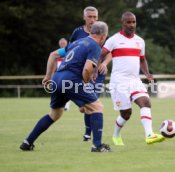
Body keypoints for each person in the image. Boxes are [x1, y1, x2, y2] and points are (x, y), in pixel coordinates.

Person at [19, 21, 112, 152]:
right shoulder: (95, 46)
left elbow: (53, 54)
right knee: (97, 107)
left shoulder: (75, 43)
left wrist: (47, 76)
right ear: (103, 36)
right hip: (70, 80)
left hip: (57, 79)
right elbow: (87, 70)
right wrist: (86, 84)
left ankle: (27, 142)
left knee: (54, 114)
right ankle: (97, 146)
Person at [98, 11, 165, 146]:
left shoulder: (140, 41)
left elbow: (142, 59)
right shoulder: (114, 40)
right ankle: (116, 135)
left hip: (135, 80)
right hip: (119, 82)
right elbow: (100, 55)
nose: (131, 24)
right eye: (128, 22)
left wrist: (146, 73)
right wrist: (95, 69)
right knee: (126, 114)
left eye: (133, 22)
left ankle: (149, 135)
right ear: (122, 23)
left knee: (145, 102)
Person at [70, 6, 111, 141]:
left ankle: (88, 133)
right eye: (90, 17)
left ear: (97, 17)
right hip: (82, 73)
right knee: (87, 104)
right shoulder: (77, 32)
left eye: (95, 17)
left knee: (91, 101)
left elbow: (110, 51)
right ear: (84, 17)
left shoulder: (102, 31)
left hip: (97, 74)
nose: (92, 19)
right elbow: (71, 50)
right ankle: (89, 132)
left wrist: (104, 64)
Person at [57, 38, 71, 111]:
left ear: (67, 43)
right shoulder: (57, 53)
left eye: (64, 42)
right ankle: (60, 105)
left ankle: (66, 106)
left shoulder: (70, 52)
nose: (62, 43)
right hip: (59, 74)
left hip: (67, 74)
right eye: (61, 42)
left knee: (66, 90)